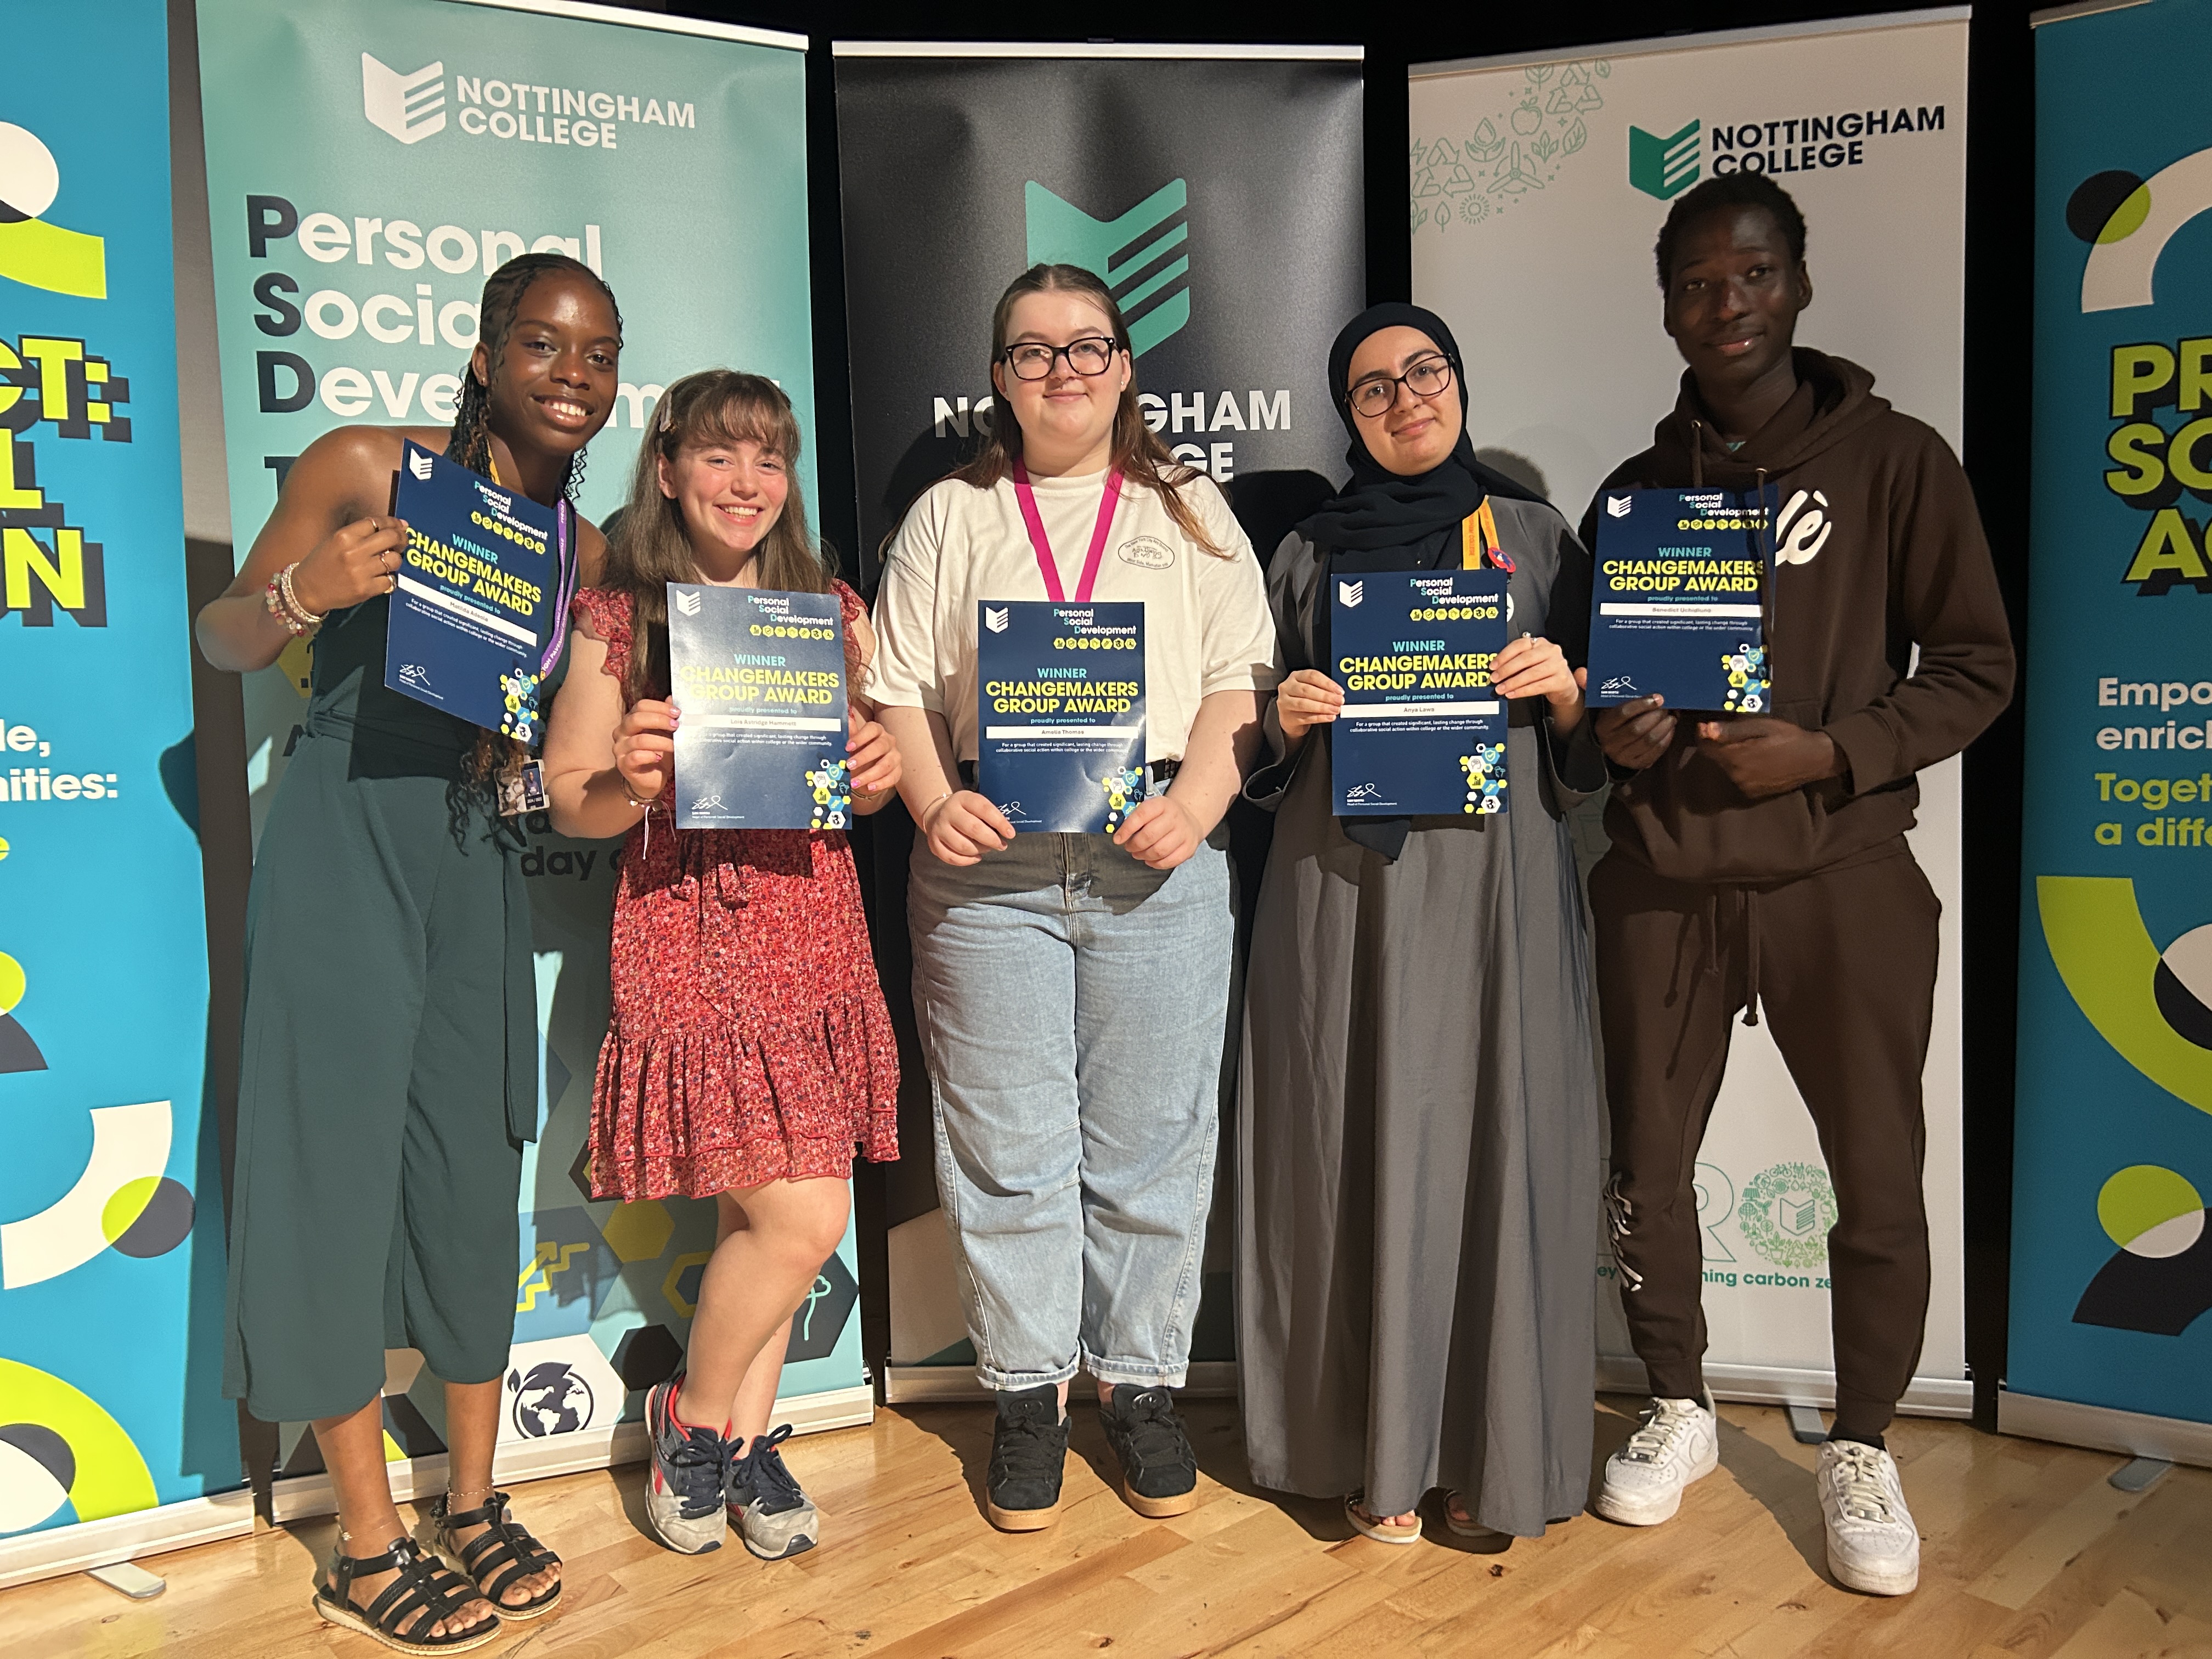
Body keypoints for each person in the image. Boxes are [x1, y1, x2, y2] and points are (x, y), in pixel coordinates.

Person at [1582, 174, 2012, 1596]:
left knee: (1877, 1173)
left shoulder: (1899, 463)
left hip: (1844, 875)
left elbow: (1977, 668)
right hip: (1665, 880)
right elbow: (1598, 716)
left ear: (1800, 287)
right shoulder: (1638, 495)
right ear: (1663, 306)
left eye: (1753, 276)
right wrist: (1616, 732)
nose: (1727, 306)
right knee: (1647, 1170)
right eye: (1698, 283)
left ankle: (1868, 1439)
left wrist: (1833, 750)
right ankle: (1679, 1402)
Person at [198, 252, 622, 1651]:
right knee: (331, 1163)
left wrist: (632, 765)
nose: (575, 375)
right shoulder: (371, 466)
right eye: (549, 344)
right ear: (492, 350)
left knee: (465, 1156)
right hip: (344, 836)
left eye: (602, 354)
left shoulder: (583, 549)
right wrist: (310, 594)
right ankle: (364, 1535)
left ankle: (476, 1502)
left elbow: (557, 755)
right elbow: (223, 636)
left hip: (481, 850)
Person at [871, 263, 1278, 1531]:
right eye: (1033, 353)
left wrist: (1200, 805)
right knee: (1007, 1150)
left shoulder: (1193, 510)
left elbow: (1236, 682)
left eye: (1086, 347)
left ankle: (1143, 1385)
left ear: (1125, 367)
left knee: (1154, 1141)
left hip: (1153, 850)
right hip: (985, 864)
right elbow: (895, 688)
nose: (1063, 372)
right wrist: (933, 801)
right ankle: (1031, 1396)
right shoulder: (952, 516)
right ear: (999, 378)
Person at [1235, 303, 1606, 1545]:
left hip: (1496, 885)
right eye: (1373, 387)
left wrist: (1565, 699)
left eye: (1424, 373)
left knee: (1495, 1144)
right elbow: (1246, 752)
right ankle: (1369, 1448)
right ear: (1348, 414)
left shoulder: (1541, 540)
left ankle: (1483, 1453)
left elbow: (1607, 750)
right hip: (1339, 885)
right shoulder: (1298, 553)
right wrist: (1284, 718)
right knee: (1351, 1147)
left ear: (1459, 380)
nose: (1405, 400)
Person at [543, 370, 901, 1558]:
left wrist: (878, 772)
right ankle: (698, 1425)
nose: (746, 483)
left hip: (809, 919)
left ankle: (725, 1441)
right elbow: (568, 803)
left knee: (781, 1217)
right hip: (686, 924)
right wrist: (627, 778)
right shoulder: (620, 616)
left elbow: (867, 768)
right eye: (719, 456)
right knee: (798, 1220)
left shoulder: (830, 608)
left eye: (768, 460)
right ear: (667, 471)